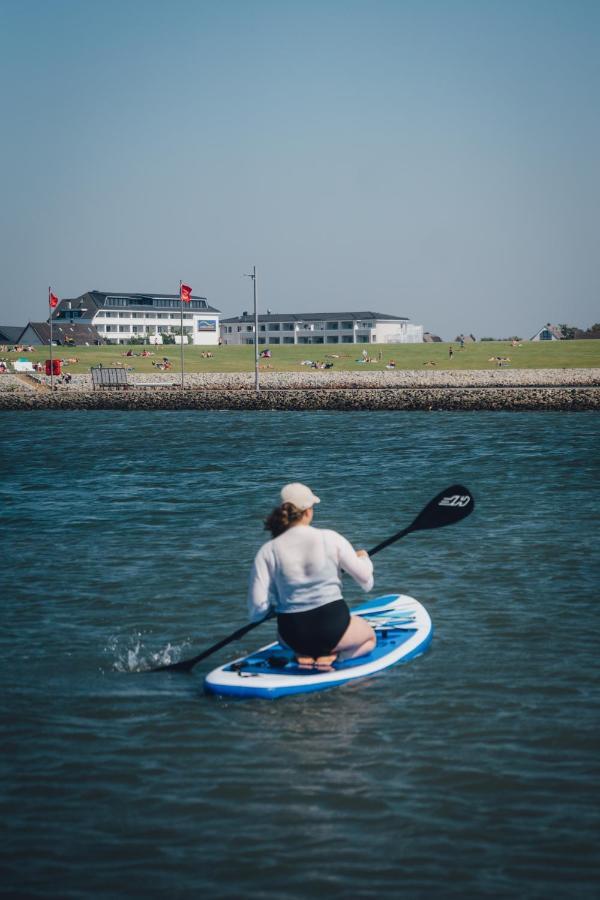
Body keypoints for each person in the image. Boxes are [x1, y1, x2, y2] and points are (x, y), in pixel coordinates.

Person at [248, 483, 376, 669]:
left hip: (291, 635)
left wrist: (272, 609)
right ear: (308, 512)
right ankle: (336, 657)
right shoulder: (331, 537)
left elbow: (256, 611)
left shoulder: (267, 551)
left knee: (300, 637)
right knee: (369, 638)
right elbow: (366, 582)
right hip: (333, 627)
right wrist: (364, 558)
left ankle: (307, 655)